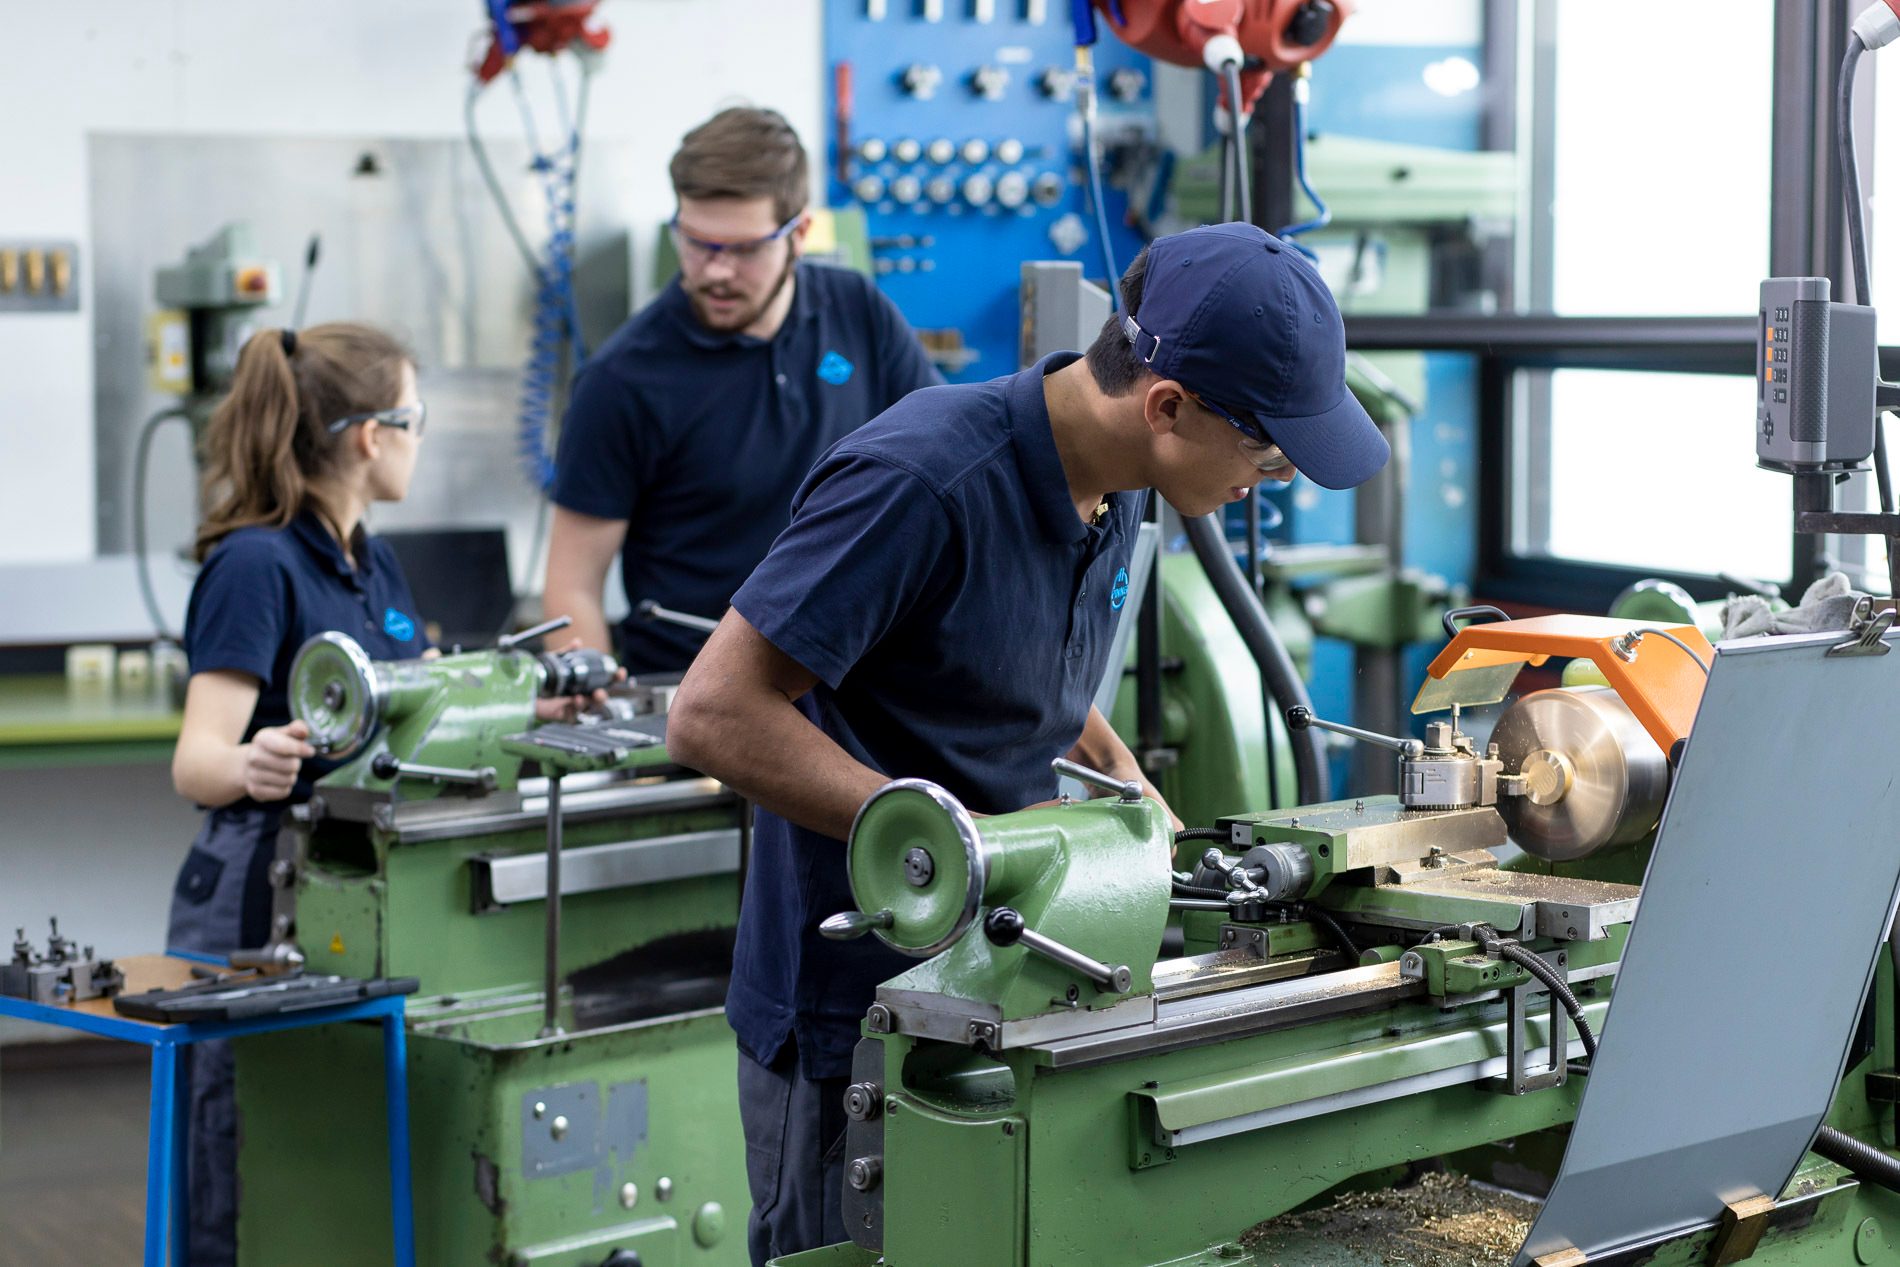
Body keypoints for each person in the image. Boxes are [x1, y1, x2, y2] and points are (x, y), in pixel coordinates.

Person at [666, 221, 1392, 1266]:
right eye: (1266, 451)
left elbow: (1003, 664)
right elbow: (714, 711)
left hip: (1015, 990)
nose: (1267, 479)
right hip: (859, 1017)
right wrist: (948, 845)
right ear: (1167, 406)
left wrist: (1126, 783)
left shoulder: (1111, 487)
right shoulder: (920, 483)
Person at [543, 105, 943, 674]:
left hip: (855, 678)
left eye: (744, 249)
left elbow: (947, 464)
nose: (715, 272)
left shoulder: (858, 312)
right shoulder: (622, 381)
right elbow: (573, 588)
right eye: (697, 242)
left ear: (799, 234)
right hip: (695, 696)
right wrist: (586, 688)